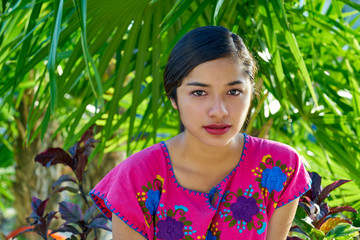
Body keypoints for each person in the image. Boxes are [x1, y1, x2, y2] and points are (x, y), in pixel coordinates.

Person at [90, 26, 311, 240]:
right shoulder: (136, 177)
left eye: (234, 91)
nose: (219, 111)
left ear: (252, 94)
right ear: (173, 98)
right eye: (199, 92)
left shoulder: (279, 167)